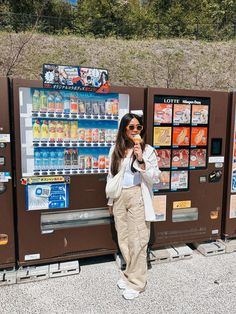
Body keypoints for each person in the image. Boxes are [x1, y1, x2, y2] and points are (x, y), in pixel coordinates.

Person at [106, 113, 161, 300]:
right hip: (120, 195)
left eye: (139, 127)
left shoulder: (148, 150)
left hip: (138, 195)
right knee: (124, 238)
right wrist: (110, 200)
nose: (136, 131)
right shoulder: (115, 149)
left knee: (138, 239)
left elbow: (155, 177)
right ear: (124, 129)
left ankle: (137, 283)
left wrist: (140, 159)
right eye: (131, 127)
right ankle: (129, 274)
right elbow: (111, 176)